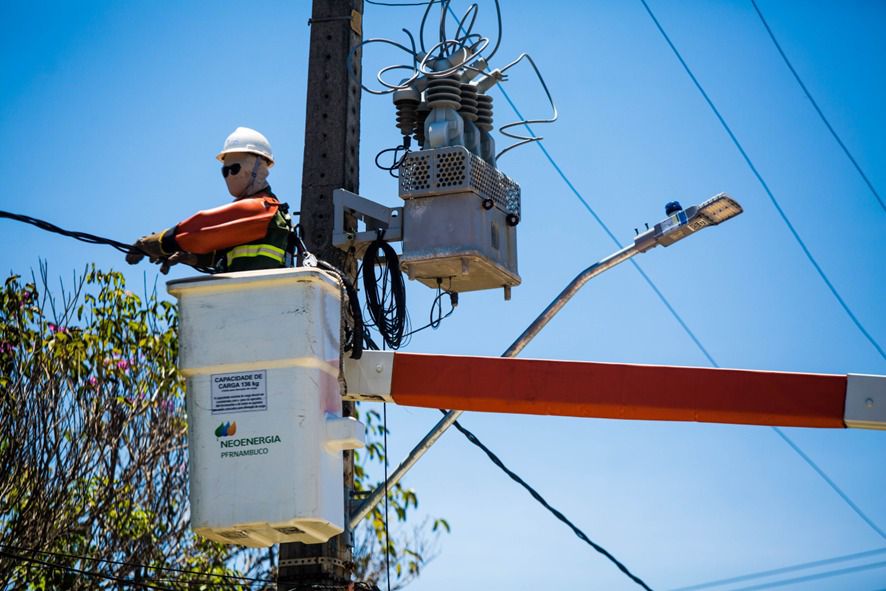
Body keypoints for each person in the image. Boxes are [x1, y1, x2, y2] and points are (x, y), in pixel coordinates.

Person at [126, 127, 291, 274]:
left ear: (258, 168)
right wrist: (193, 256)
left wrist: (161, 242)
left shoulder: (263, 207)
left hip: (259, 293)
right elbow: (231, 252)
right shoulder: (251, 217)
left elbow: (203, 227)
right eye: (225, 171)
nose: (229, 175)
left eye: (234, 169)